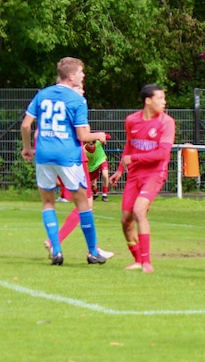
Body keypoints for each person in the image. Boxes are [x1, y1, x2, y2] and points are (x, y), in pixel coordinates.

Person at [21, 57, 109, 266]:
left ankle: (57, 250)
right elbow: (82, 135)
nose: (83, 76)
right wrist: (99, 135)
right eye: (81, 72)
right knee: (83, 203)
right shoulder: (77, 100)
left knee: (48, 202)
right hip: (67, 156)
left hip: (43, 155)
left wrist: (27, 148)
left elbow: (26, 125)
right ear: (71, 76)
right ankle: (92, 251)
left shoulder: (42, 94)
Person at [108, 84, 176, 274]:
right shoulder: (131, 120)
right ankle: (137, 259)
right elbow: (130, 146)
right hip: (134, 175)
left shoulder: (166, 122)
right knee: (125, 220)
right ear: (148, 100)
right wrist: (120, 170)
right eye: (160, 98)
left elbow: (163, 154)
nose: (164, 102)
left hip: (155, 173)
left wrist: (134, 158)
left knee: (139, 210)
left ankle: (147, 262)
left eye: (164, 98)